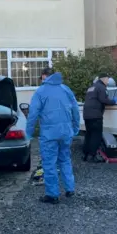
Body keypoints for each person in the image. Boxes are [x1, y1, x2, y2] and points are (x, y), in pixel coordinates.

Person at [26, 67, 80, 204]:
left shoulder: (40, 92)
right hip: (66, 131)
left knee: (49, 163)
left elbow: (33, 114)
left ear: (44, 76)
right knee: (65, 160)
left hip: (49, 134)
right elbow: (75, 109)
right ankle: (70, 188)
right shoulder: (66, 89)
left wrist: (29, 133)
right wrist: (75, 127)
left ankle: (52, 194)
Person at [82, 73, 117, 162]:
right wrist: (113, 101)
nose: (108, 81)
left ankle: (85, 155)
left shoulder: (91, 87)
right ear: (104, 79)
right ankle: (92, 156)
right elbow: (103, 99)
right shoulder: (101, 87)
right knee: (96, 136)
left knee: (89, 135)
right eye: (107, 79)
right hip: (95, 115)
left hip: (87, 115)